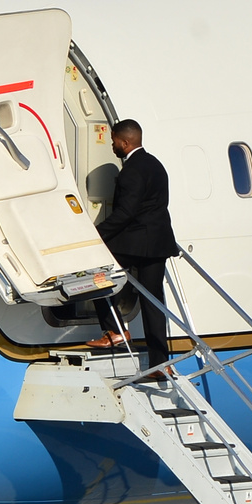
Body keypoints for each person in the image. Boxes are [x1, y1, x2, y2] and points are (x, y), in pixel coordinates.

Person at [92, 119, 178, 373]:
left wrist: (98, 235)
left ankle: (115, 330)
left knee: (97, 273)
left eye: (115, 141)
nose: (112, 146)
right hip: (159, 242)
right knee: (153, 301)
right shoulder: (155, 165)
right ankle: (161, 363)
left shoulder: (130, 171)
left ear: (125, 142)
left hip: (135, 243)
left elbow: (126, 213)